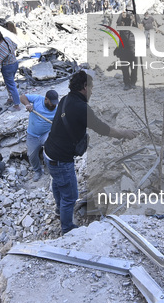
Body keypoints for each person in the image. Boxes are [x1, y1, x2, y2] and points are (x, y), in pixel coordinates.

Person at [43, 71, 137, 235]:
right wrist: (124, 133)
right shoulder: (81, 107)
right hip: (61, 159)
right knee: (70, 196)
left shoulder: (66, 99)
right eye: (92, 88)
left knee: (58, 183)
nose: (92, 92)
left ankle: (59, 210)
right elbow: (102, 128)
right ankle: (68, 229)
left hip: (48, 152)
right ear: (85, 87)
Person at [19, 90, 59, 181]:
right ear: (46, 99)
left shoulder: (58, 108)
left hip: (46, 133)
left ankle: (50, 170)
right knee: (32, 155)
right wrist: (28, 104)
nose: (54, 105)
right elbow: (22, 97)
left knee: (50, 152)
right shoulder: (37, 99)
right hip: (32, 135)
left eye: (55, 103)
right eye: (52, 103)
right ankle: (37, 171)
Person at [0, 29, 21, 112]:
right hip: (14, 63)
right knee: (9, 83)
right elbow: (15, 46)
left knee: (11, 85)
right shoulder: (6, 39)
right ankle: (11, 98)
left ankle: (17, 105)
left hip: (7, 67)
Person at [115, 11, 139, 90]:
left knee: (134, 67)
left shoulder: (135, 19)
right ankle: (126, 83)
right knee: (124, 68)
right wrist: (122, 16)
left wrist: (133, 18)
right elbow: (117, 26)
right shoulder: (121, 20)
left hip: (133, 48)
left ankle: (133, 82)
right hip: (123, 48)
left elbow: (140, 27)